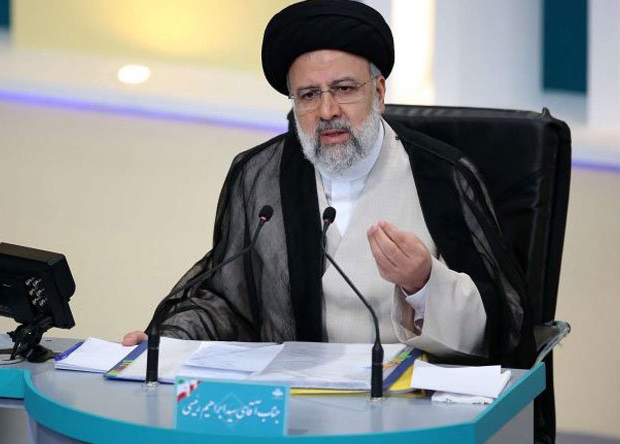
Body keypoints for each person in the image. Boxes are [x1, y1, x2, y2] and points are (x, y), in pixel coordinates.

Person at [123, 0, 534, 369]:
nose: (327, 110)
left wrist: (424, 283)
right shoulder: (259, 175)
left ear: (379, 91)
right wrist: (167, 344)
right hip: (294, 404)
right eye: (308, 95)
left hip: (409, 406)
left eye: (344, 89)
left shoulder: (442, 176)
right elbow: (228, 302)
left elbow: (506, 324)